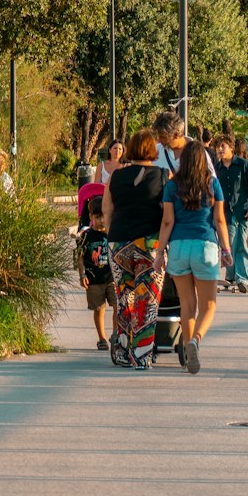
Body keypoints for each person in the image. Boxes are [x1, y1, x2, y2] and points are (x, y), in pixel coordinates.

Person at [154, 139, 232, 373]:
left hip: (178, 247)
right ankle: (194, 340)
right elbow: (219, 220)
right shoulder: (213, 184)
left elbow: (167, 221)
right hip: (205, 246)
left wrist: (159, 253)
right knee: (208, 304)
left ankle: (188, 355)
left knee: (187, 304)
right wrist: (227, 250)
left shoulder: (171, 186)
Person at [103, 128, 167, 369]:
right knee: (146, 301)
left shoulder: (115, 177)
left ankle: (121, 350)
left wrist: (113, 236)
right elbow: (168, 212)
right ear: (152, 150)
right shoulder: (163, 176)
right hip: (151, 244)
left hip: (119, 242)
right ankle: (141, 355)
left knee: (124, 297)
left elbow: (107, 210)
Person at [213, 134, 248, 292]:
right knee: (229, 244)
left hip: (242, 210)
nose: (220, 149)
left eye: (223, 146)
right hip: (226, 213)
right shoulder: (217, 169)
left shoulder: (244, 165)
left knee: (242, 245)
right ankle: (231, 276)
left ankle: (243, 278)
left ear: (231, 147)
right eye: (218, 147)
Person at [77, 195, 116, 351]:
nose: (101, 220)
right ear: (91, 217)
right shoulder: (86, 236)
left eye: (104, 216)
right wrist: (82, 275)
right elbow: (79, 257)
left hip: (112, 277)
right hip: (94, 280)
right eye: (97, 217)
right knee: (99, 309)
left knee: (118, 306)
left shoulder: (112, 232)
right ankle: (102, 338)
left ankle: (116, 334)